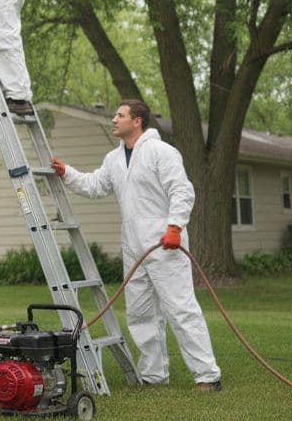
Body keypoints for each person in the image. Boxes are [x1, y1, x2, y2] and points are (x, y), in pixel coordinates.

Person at [50, 100, 223, 391]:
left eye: (120, 115)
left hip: (163, 243)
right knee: (140, 313)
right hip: (132, 245)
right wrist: (67, 172)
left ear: (138, 121)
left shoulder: (161, 152)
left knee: (181, 309)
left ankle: (207, 375)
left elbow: (181, 189)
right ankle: (154, 375)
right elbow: (95, 186)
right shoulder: (114, 159)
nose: (114, 119)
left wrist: (175, 226)